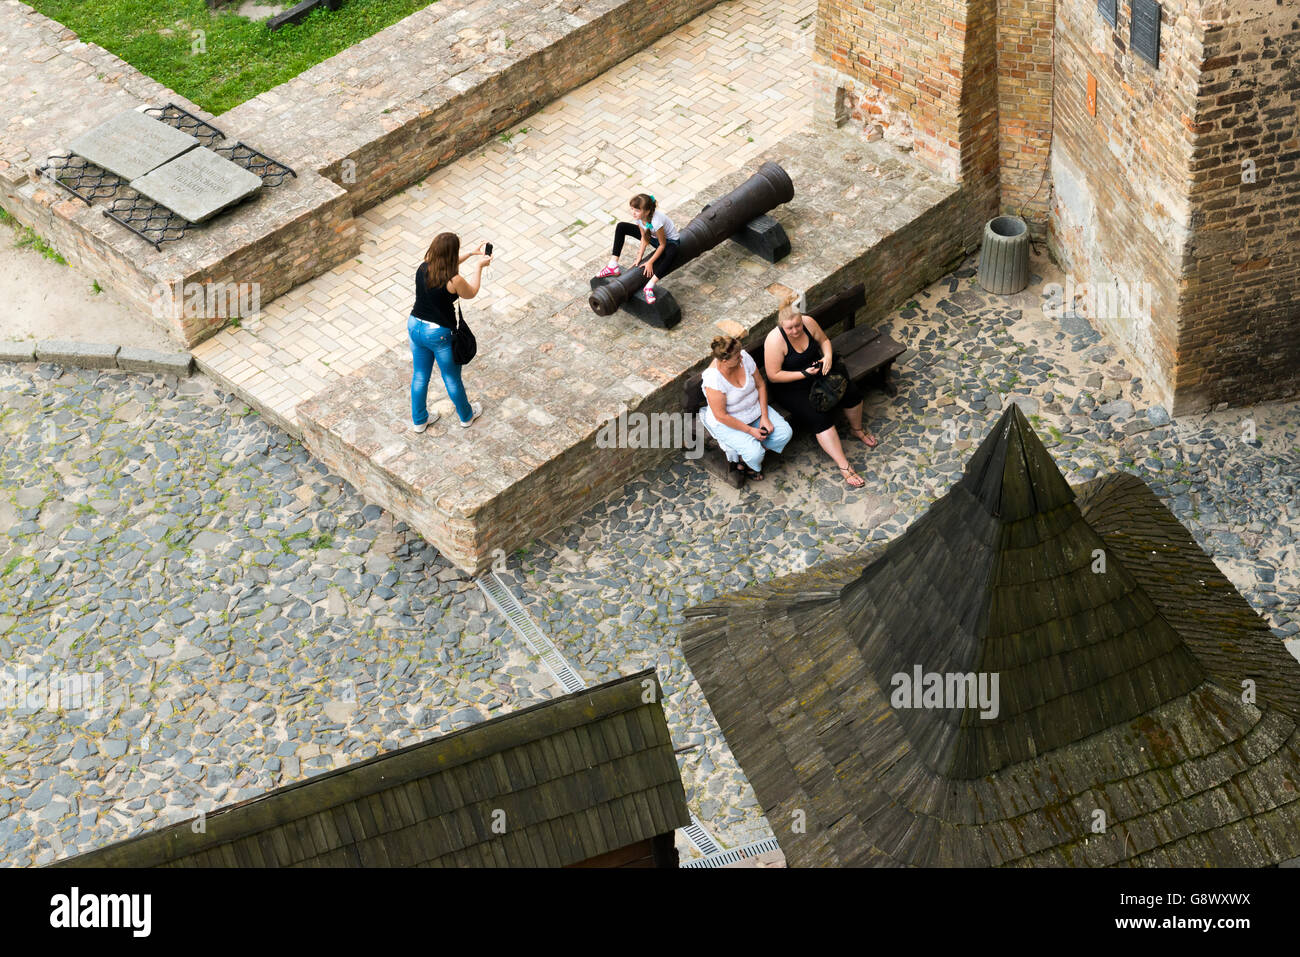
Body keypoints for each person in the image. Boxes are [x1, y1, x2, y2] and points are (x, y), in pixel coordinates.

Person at [763, 293, 878, 488]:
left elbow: (824, 341)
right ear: (782, 325)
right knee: (820, 418)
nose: (795, 331)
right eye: (790, 328)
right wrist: (803, 374)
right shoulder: (774, 340)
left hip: (816, 371)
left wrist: (828, 357)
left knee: (851, 392)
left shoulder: (808, 322)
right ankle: (844, 465)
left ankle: (857, 429)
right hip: (791, 385)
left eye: (798, 325)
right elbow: (774, 375)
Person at [408, 232, 489, 432]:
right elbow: (471, 292)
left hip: (414, 326)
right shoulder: (454, 280)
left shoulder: (424, 266)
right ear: (452, 254)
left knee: (420, 376)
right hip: (438, 334)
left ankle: (419, 421)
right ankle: (466, 416)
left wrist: (470, 254)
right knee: (451, 378)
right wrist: (478, 267)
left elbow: (445, 264)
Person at [699, 336, 792, 481]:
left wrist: (765, 417)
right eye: (737, 357)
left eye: (740, 354)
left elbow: (760, 385)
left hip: (754, 410)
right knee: (755, 453)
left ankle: (745, 458)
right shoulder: (713, 380)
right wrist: (750, 431)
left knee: (785, 433)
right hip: (729, 422)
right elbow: (721, 416)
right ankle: (751, 461)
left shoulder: (744, 357)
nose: (741, 357)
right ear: (724, 361)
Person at [597, 193, 680, 304]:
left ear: (647, 211)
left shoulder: (656, 221)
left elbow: (662, 245)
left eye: (637, 210)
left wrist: (650, 262)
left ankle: (649, 286)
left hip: (670, 241)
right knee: (621, 226)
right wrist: (639, 257)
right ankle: (613, 265)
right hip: (653, 238)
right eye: (632, 209)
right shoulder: (639, 218)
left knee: (672, 253)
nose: (633, 212)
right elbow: (644, 238)